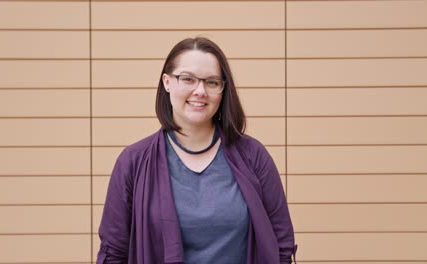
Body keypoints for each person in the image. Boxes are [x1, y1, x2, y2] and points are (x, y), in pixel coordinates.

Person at [96, 37, 297, 264]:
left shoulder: (253, 156)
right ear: (167, 82)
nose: (200, 91)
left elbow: (281, 245)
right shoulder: (133, 162)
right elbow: (113, 253)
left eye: (212, 82)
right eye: (188, 79)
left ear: (222, 90)